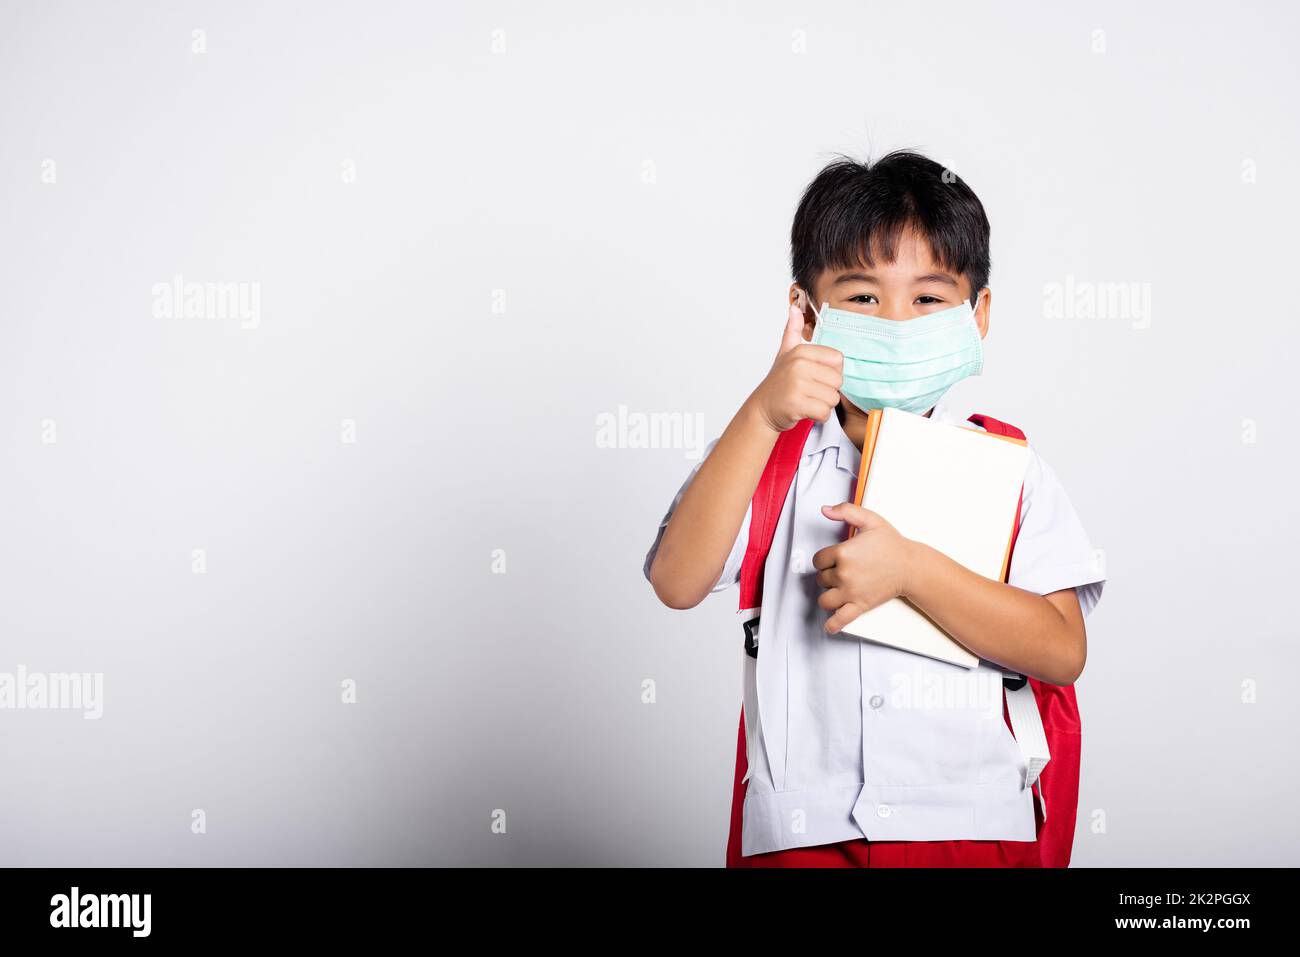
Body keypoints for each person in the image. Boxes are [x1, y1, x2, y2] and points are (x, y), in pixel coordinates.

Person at [643, 151, 1106, 866]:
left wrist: (912, 571)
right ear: (806, 312)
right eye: (861, 297)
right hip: (804, 831)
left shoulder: (1010, 469)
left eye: (927, 299)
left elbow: (1060, 648)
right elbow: (676, 579)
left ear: (976, 316)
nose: (895, 322)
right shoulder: (765, 459)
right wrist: (764, 413)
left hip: (971, 825)